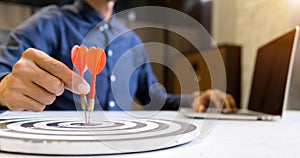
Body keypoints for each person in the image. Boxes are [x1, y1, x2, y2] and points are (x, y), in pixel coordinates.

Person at [0, 0, 237, 113]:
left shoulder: (132, 40)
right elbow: (5, 73)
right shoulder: (49, 22)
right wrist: (3, 89)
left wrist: (197, 99)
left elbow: (153, 96)